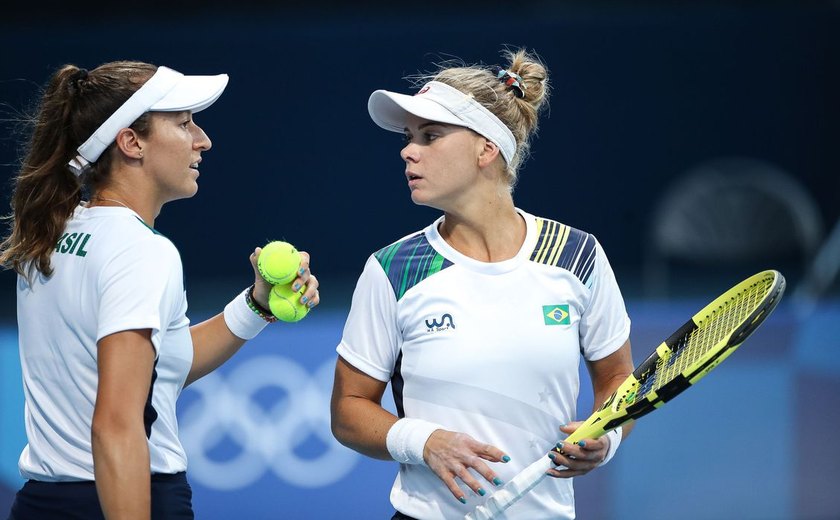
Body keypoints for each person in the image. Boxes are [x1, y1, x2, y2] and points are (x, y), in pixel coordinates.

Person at [0, 60, 320, 519]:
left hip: (41, 504)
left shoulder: (52, 235)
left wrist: (257, 305)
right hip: (124, 495)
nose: (203, 140)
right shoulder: (142, 251)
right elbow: (116, 424)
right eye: (185, 123)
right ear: (131, 142)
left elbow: (157, 368)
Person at [330, 48, 633, 519]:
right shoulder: (393, 268)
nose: (407, 150)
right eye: (409, 137)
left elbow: (616, 378)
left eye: (430, 136)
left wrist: (607, 436)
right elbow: (349, 410)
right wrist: (425, 442)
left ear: (486, 149)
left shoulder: (578, 256)